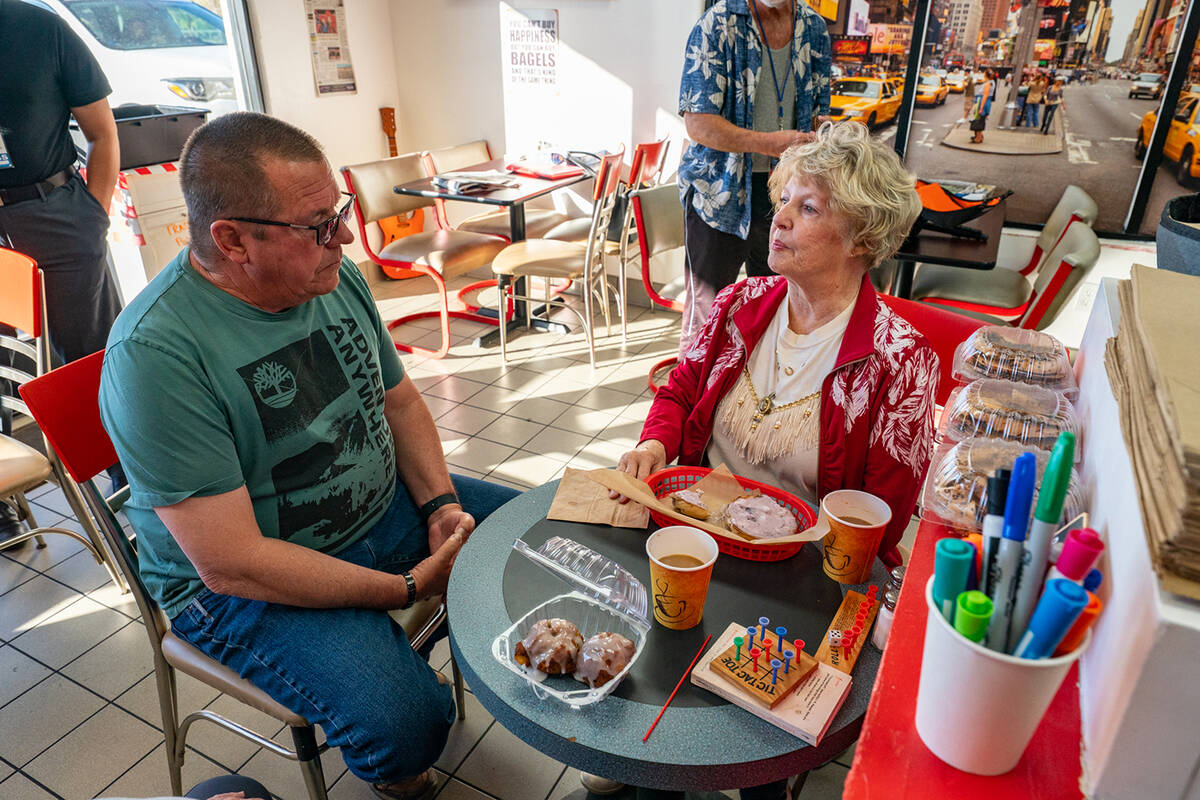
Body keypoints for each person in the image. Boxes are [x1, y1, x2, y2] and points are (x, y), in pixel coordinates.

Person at [98, 112, 520, 800]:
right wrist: (409, 588)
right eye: (319, 225)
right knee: (409, 725)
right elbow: (232, 562)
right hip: (240, 585)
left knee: (545, 535)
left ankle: (401, 656)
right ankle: (401, 750)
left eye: (340, 210)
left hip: (378, 512)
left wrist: (440, 504)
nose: (347, 238)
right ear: (231, 239)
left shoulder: (330, 277)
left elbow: (402, 403)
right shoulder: (156, 355)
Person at [615, 122, 937, 799]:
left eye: (808, 207)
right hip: (696, 540)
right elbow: (679, 388)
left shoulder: (900, 361)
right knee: (650, 718)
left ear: (864, 240)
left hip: (798, 581)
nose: (779, 217)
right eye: (783, 197)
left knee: (752, 754)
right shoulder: (741, 303)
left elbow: (881, 516)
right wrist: (653, 442)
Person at [0, 0, 123, 544]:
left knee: (92, 357)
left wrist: (92, 213)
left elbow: (101, 132)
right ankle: (7, 499)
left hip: (55, 214)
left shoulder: (37, 27)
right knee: (4, 362)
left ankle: (134, 483)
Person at [675, 0, 833, 358]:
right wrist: (768, 142)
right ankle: (694, 400)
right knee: (708, 314)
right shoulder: (718, 24)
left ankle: (755, 400)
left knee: (778, 306)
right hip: (720, 195)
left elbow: (819, 113)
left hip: (784, 198)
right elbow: (698, 123)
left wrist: (828, 139)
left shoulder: (813, 28)